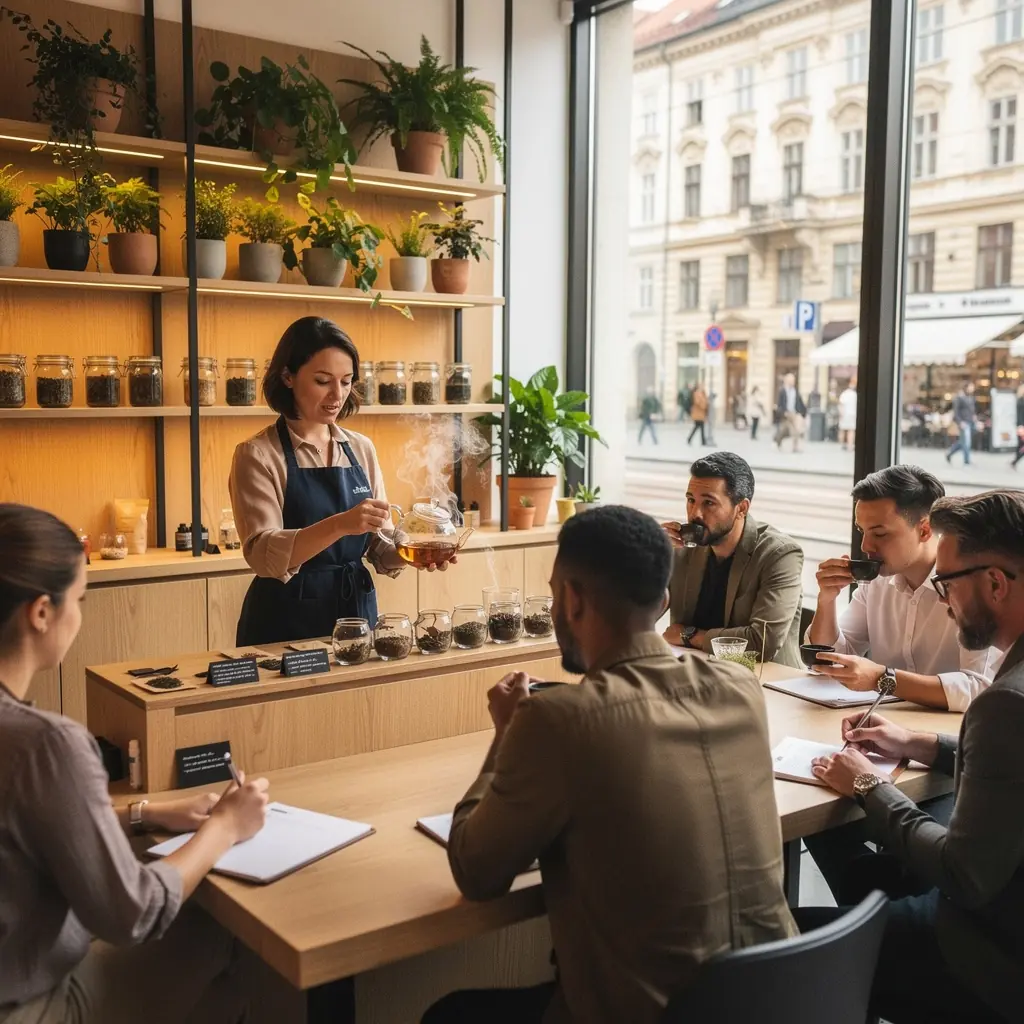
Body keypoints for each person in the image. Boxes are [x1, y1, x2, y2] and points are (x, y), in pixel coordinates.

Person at [423, 506, 796, 1024]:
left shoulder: (556, 720)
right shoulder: (740, 689)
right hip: (780, 1000)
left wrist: (506, 734)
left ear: (572, 599)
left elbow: (477, 872)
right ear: (664, 600)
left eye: (556, 593)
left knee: (451, 1015)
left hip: (650, 1013)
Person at [0, 503, 271, 1024]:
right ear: (40, 613)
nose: (80, 615)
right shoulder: (47, 745)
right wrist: (224, 827)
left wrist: (145, 814)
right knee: (224, 932)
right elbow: (135, 912)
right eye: (79, 599)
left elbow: (26, 827)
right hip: (29, 1005)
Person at [799, 489, 1024, 1024]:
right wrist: (919, 743)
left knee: (783, 938)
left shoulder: (1005, 702)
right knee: (861, 877)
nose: (943, 600)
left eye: (948, 584)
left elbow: (963, 874)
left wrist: (867, 786)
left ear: (995, 583)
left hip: (987, 957)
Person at [229, 316, 450, 646]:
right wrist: (341, 524)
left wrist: (413, 554)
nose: (337, 394)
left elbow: (379, 546)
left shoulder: (360, 449)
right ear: (288, 376)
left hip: (357, 613)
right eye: (323, 381)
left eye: (346, 382)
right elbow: (263, 556)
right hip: (285, 622)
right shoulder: (258, 455)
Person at [806, 465, 1000, 711]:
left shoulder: (968, 586)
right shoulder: (876, 582)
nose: (865, 545)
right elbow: (829, 661)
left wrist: (883, 679)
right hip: (883, 728)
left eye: (880, 534)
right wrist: (827, 600)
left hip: (946, 738)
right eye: (861, 531)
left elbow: (977, 688)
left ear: (925, 529)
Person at [661, 452, 804, 666]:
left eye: (709, 503)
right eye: (691, 500)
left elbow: (761, 644)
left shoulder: (779, 554)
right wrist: (650, 557)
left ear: (742, 509)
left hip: (765, 682)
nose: (694, 513)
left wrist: (689, 636)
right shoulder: (683, 548)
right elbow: (635, 620)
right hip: (697, 675)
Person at [774, 372, 807, 453]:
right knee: (783, 430)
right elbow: (780, 403)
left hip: (794, 413)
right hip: (786, 414)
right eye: (791, 380)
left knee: (796, 431)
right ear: (786, 381)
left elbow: (800, 402)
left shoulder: (795, 391)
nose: (792, 382)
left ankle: (795, 447)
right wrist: (783, 412)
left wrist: (803, 413)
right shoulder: (782, 391)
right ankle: (777, 442)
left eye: (793, 380)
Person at [945, 382, 976, 466]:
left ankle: (949, 453)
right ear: (966, 387)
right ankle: (967, 461)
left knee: (963, 442)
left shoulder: (971, 397)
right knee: (966, 442)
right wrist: (960, 422)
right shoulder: (959, 398)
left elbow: (972, 410)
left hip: (970, 422)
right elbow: (956, 412)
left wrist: (974, 417)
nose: (973, 389)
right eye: (971, 387)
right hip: (963, 422)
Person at [837, 378, 857, 450]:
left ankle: (841, 444)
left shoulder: (844, 394)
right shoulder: (855, 395)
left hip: (845, 414)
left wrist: (841, 414)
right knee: (851, 431)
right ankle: (850, 446)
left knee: (842, 430)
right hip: (853, 414)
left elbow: (841, 405)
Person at [1010, 383, 1024, 469]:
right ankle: (1015, 461)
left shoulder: (1020, 400)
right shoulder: (1020, 401)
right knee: (1020, 445)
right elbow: (1019, 415)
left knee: (1020, 445)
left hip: (1021, 426)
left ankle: (1015, 461)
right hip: (1022, 427)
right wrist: (1020, 426)